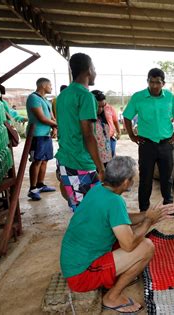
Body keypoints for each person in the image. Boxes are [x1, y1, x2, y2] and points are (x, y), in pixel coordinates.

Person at [60, 156, 174, 313]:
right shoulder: (115, 202)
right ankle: (112, 297)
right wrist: (149, 221)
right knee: (146, 247)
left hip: (75, 262)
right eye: (132, 178)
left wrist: (147, 215)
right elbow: (128, 245)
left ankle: (116, 276)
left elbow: (121, 218)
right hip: (81, 275)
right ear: (125, 183)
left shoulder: (99, 188)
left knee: (134, 237)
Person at [123, 68, 174, 212]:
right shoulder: (138, 97)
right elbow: (127, 116)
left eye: (158, 82)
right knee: (145, 178)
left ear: (163, 83)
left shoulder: (170, 97)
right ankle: (144, 208)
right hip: (146, 144)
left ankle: (168, 206)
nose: (154, 85)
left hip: (166, 144)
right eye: (151, 82)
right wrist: (132, 135)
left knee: (166, 177)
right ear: (147, 81)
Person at [55, 53, 104, 212]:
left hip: (64, 157)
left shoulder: (62, 96)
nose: (95, 72)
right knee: (89, 209)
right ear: (89, 70)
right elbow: (88, 135)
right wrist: (101, 168)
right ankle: (85, 236)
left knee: (78, 204)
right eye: (94, 68)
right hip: (80, 161)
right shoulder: (85, 96)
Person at [25, 78, 58, 201]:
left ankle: (40, 184)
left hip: (45, 134)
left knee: (45, 160)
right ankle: (32, 188)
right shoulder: (33, 98)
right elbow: (42, 118)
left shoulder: (46, 100)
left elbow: (51, 117)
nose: (51, 87)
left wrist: (54, 128)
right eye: (49, 85)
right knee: (37, 160)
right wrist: (56, 125)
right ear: (43, 85)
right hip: (36, 134)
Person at [91, 90, 112, 168]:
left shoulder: (101, 119)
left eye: (103, 106)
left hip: (106, 158)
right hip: (95, 161)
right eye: (98, 106)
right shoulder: (87, 122)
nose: (100, 109)